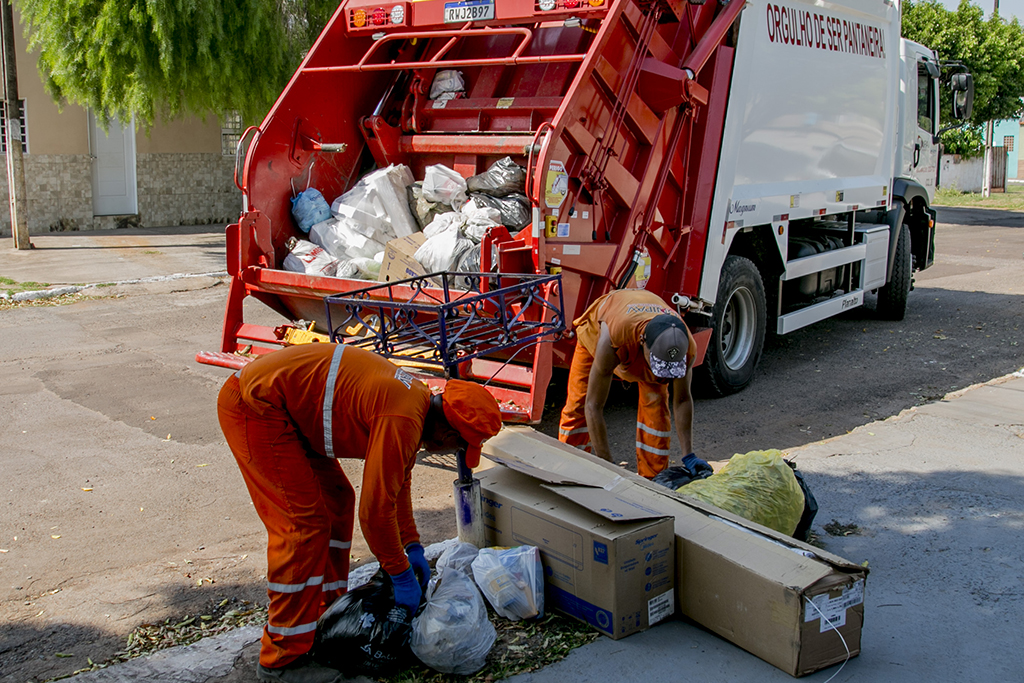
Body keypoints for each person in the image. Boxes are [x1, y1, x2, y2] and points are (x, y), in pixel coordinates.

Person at [217, 343, 502, 683]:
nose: (454, 452)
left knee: (338, 501)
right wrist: (399, 574)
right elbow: (376, 512)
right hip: (257, 406)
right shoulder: (402, 416)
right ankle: (281, 659)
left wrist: (412, 547)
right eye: (460, 447)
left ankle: (326, 617)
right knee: (302, 526)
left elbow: (397, 488)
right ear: (447, 433)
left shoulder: (415, 405)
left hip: (285, 410)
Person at [557, 289, 711, 480]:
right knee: (578, 404)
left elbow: (682, 400)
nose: (660, 374)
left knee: (656, 410)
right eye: (659, 365)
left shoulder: (684, 347)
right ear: (642, 342)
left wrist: (688, 455)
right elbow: (593, 406)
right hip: (597, 334)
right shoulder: (613, 336)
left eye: (668, 369)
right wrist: (608, 467)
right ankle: (573, 470)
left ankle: (654, 479)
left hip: (642, 332)